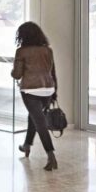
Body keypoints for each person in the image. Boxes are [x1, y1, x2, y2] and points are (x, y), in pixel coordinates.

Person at [11, 21, 58, 171]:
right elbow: (52, 72)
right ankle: (26, 145)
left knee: (40, 122)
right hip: (48, 89)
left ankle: (51, 156)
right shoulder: (47, 50)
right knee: (34, 116)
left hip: (30, 90)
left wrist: (12, 71)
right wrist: (54, 91)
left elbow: (17, 74)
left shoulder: (21, 51)